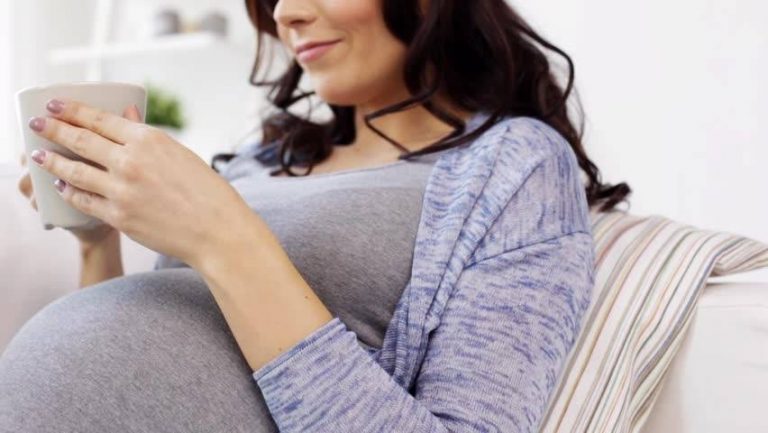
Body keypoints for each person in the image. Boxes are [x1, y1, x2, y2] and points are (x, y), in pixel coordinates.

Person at [3, 0, 631, 431]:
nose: (284, 13)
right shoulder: (263, 157)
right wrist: (97, 241)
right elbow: (136, 355)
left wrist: (223, 235)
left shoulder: (515, 164)